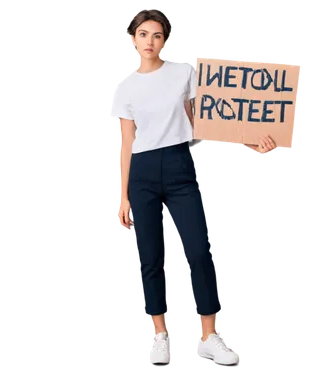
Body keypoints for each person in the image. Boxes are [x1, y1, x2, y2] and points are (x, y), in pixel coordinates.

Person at [110, 7, 277, 367]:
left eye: (156, 35)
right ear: (132, 41)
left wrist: (249, 140)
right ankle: (158, 336)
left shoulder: (183, 73)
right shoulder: (125, 88)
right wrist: (122, 196)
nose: (149, 41)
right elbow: (127, 141)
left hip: (180, 168)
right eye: (142, 35)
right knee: (151, 257)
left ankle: (208, 337)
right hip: (142, 173)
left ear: (165, 41)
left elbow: (204, 121)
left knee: (199, 251)